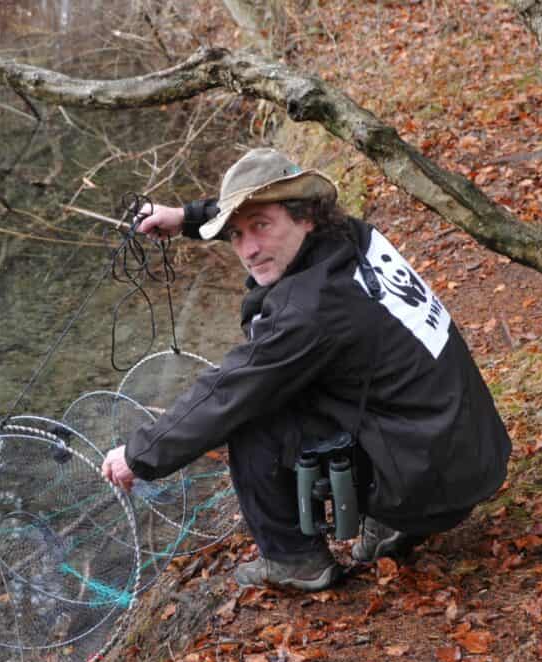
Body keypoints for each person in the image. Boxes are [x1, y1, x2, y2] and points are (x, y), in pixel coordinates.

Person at [101, 148, 512, 592]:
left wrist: (140, 455)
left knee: (251, 418)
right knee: (296, 386)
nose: (249, 249)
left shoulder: (307, 310)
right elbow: (255, 220)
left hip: (432, 474)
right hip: (469, 448)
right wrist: (184, 218)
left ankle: (298, 561)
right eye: (235, 234)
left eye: (261, 227)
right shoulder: (350, 237)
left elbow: (226, 392)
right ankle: (395, 519)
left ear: (306, 217)